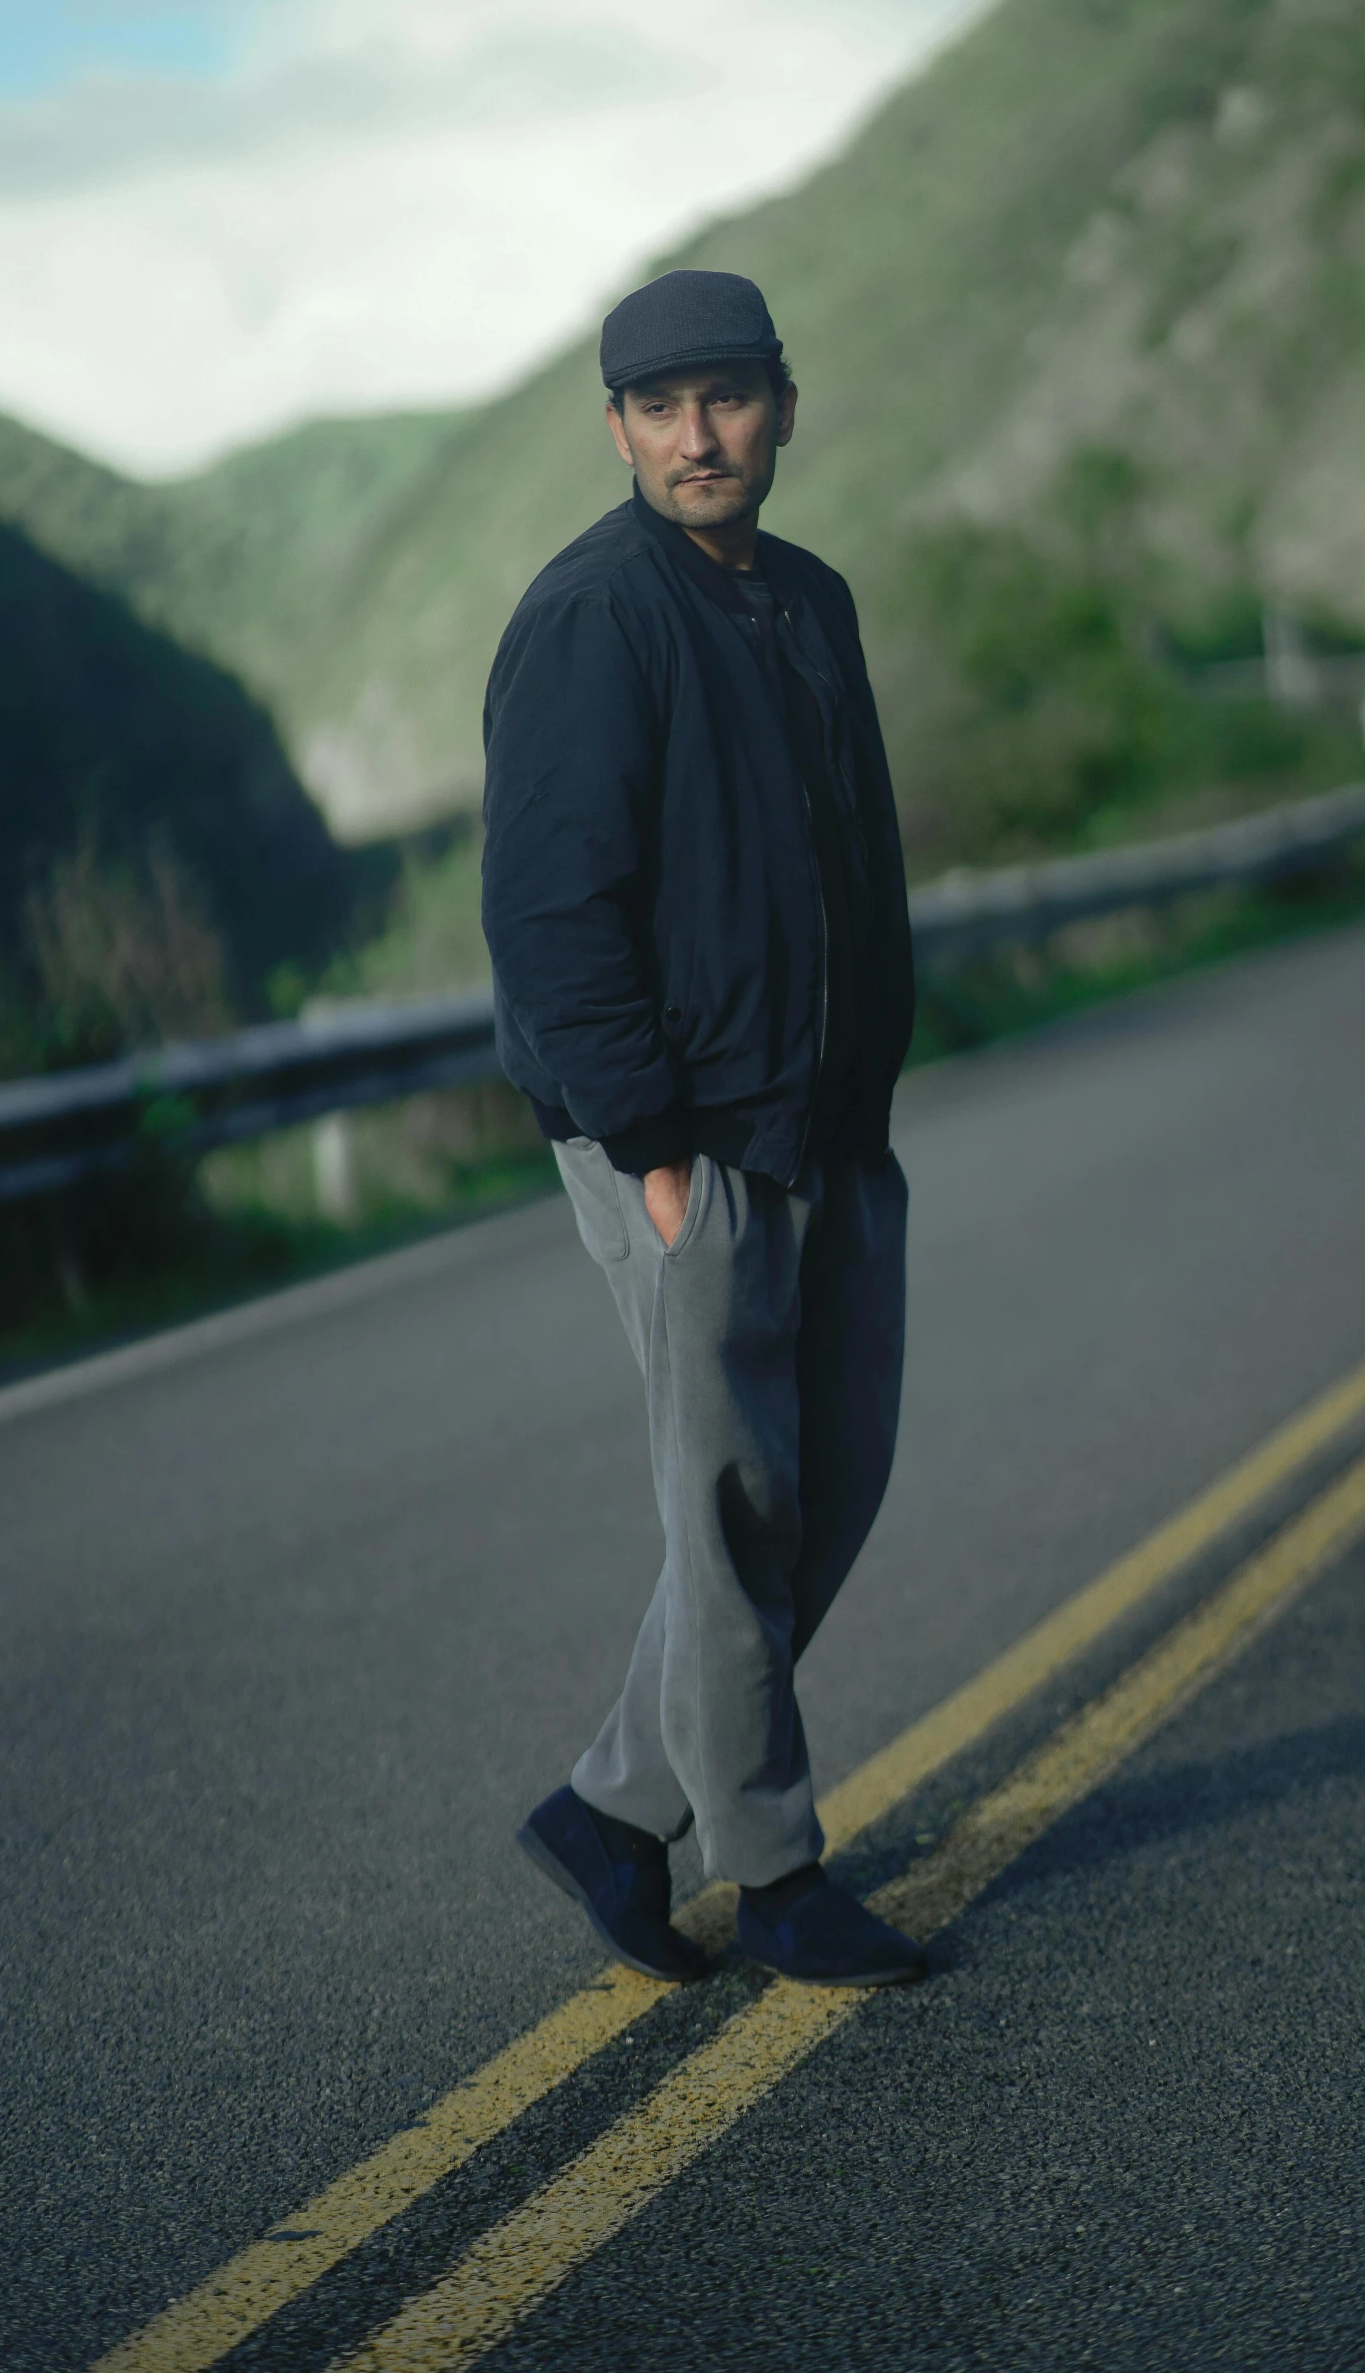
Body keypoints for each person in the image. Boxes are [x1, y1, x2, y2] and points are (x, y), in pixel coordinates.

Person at [482, 268, 923, 1988]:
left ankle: (611, 1811)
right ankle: (774, 1868)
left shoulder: (809, 600)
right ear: (618, 429)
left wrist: (872, 1076)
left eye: (726, 397)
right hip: (684, 1143)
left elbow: (850, 860)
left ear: (783, 405)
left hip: (825, 1120)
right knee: (738, 1501)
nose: (696, 434)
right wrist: (654, 1151)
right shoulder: (598, 615)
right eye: (660, 407)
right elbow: (550, 910)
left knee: (826, 1487)